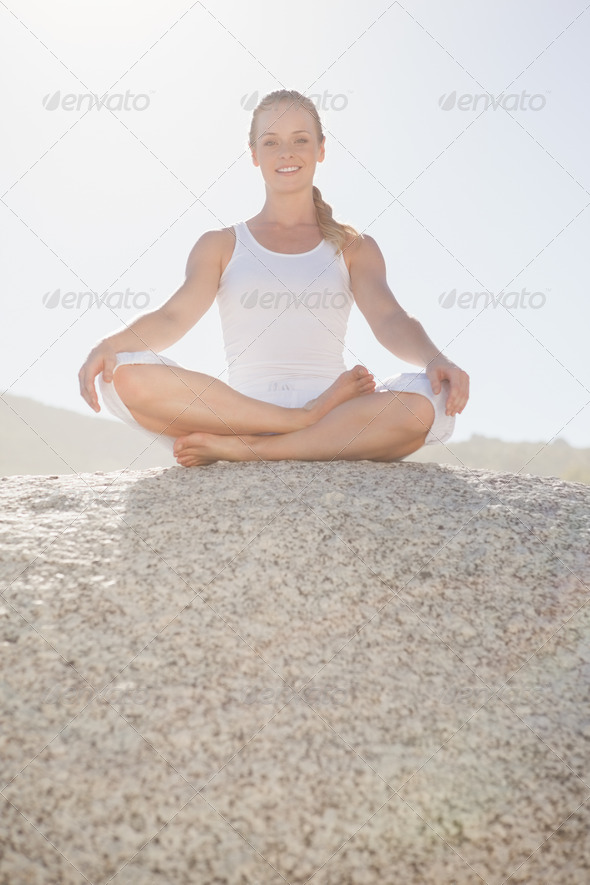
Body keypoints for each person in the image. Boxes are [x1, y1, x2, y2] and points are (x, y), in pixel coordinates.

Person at [78, 89, 469, 468]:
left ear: (320, 149)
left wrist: (435, 359)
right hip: (238, 414)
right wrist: (108, 344)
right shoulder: (220, 244)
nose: (287, 152)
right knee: (121, 377)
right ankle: (293, 423)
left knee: (424, 403)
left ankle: (255, 450)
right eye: (271, 142)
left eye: (300, 139)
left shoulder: (354, 246)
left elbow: (390, 319)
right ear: (253, 155)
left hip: (339, 415)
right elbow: (172, 318)